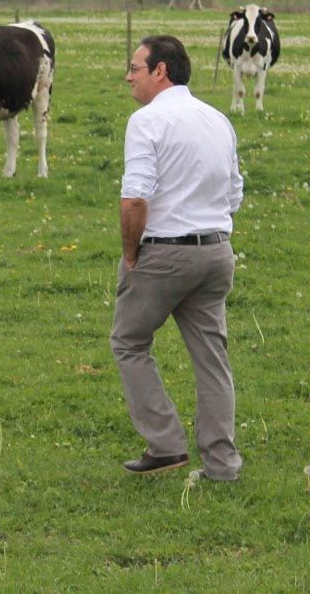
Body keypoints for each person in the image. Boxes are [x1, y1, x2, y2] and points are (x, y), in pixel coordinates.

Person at [110, 35, 244, 481]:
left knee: (129, 342)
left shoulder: (147, 121)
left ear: (160, 71)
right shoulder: (217, 119)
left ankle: (166, 445)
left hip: (163, 254)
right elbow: (234, 192)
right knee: (211, 358)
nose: (129, 76)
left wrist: (131, 254)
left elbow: (134, 199)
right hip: (216, 252)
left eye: (135, 68)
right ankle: (223, 465)